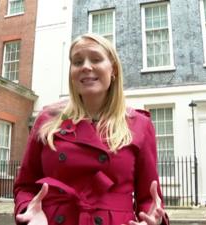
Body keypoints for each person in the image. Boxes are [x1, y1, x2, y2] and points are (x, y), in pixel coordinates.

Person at [14, 33, 169, 225]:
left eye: (96, 59)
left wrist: (151, 220)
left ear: (113, 70)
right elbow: (25, 186)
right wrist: (29, 211)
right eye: (77, 62)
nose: (86, 66)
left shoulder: (139, 124)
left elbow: (149, 199)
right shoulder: (47, 119)